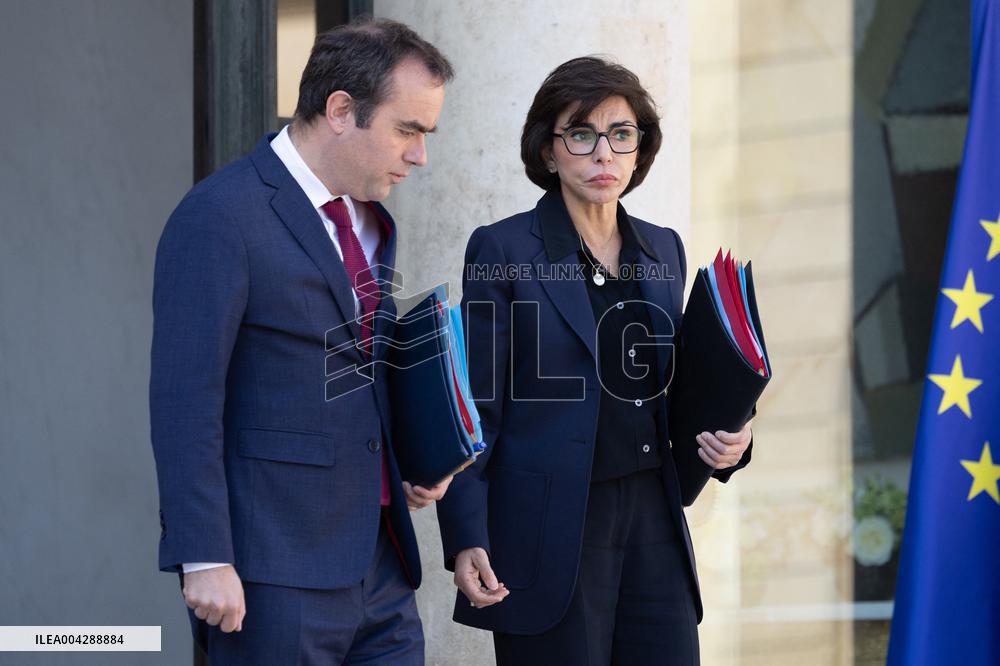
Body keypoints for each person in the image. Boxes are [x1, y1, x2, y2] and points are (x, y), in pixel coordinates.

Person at [150, 18, 454, 665]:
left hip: (382, 568)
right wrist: (204, 556)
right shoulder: (219, 215)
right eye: (409, 130)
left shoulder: (371, 222)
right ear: (341, 110)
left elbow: (352, 374)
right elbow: (185, 398)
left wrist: (406, 460)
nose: (420, 155)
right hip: (271, 574)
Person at [435, 56, 754, 665]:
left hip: (655, 517)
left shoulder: (662, 248)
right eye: (581, 135)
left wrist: (734, 433)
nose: (603, 153)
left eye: (621, 135)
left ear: (639, 150)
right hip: (552, 526)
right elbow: (475, 406)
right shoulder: (503, 249)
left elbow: (689, 380)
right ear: (549, 152)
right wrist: (465, 534)